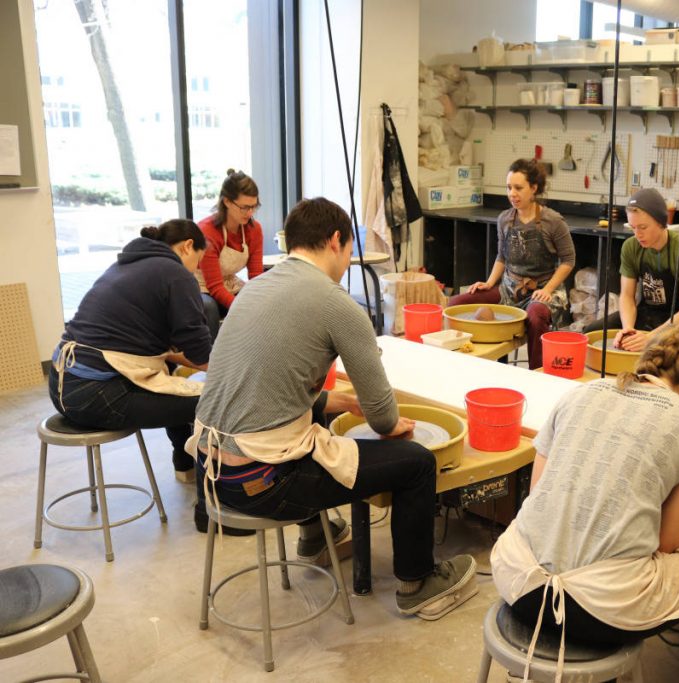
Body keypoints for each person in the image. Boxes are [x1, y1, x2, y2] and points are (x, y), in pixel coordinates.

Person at [185, 197, 477, 617]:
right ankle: (419, 583)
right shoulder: (337, 304)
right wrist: (388, 423)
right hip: (260, 482)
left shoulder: (256, 289)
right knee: (416, 463)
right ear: (338, 240)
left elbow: (263, 386)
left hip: (210, 472)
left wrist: (338, 401)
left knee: (319, 416)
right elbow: (383, 416)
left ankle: (316, 538)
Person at [490, 323, 679, 683]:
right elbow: (667, 542)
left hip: (518, 579)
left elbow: (540, 492)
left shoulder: (580, 393)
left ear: (646, 362)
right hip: (599, 610)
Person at [49, 220, 211, 484]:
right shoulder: (176, 273)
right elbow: (200, 351)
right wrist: (233, 372)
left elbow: (131, 341)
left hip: (61, 383)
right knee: (215, 402)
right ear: (188, 246)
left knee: (170, 375)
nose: (197, 269)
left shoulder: (123, 266)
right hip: (97, 395)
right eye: (199, 261)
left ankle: (185, 466)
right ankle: (209, 505)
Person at [448, 159, 575, 369]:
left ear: (534, 188)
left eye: (518, 188)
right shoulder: (505, 219)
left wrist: (549, 290)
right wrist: (489, 283)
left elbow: (568, 260)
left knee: (536, 314)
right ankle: (477, 365)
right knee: (456, 304)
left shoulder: (553, 221)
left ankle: (536, 373)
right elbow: (502, 257)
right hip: (509, 289)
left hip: (543, 290)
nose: (512, 194)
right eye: (509, 188)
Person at [585, 187, 679, 351]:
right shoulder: (631, 247)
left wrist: (650, 338)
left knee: (666, 353)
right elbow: (627, 296)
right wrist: (628, 329)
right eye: (633, 227)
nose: (637, 234)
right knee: (590, 333)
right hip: (648, 312)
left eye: (643, 227)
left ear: (661, 222)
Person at [196, 169, 265, 340]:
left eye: (254, 207)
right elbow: (214, 286)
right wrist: (242, 308)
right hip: (201, 285)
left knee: (262, 306)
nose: (250, 213)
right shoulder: (207, 231)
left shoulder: (254, 230)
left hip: (229, 283)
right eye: (244, 207)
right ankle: (212, 362)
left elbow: (256, 276)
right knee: (209, 308)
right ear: (226, 201)